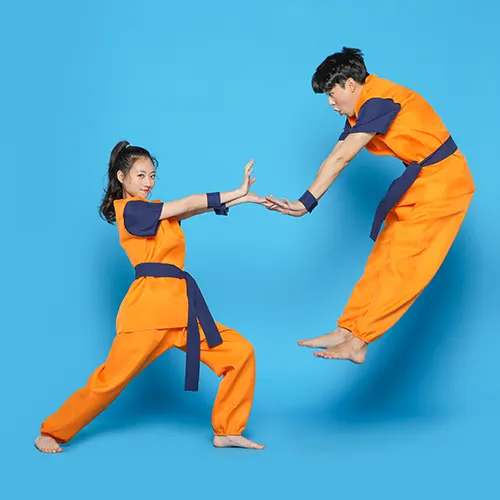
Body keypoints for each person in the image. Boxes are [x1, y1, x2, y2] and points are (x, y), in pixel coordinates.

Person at [35, 141, 266, 453]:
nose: (148, 182)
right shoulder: (131, 210)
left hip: (181, 312)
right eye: (141, 175)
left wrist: (242, 198)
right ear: (122, 177)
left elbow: (192, 209)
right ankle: (51, 432)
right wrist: (235, 190)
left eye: (152, 176)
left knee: (239, 353)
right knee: (109, 381)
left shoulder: (155, 211)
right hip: (148, 314)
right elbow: (188, 202)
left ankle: (228, 430)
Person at [265, 47, 476, 363]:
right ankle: (348, 329)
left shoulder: (379, 101)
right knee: (382, 259)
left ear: (351, 84)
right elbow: (335, 155)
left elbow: (343, 157)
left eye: (332, 93)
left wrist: (305, 204)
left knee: (405, 268)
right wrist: (304, 202)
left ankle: (361, 341)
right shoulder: (363, 109)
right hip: (421, 182)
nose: (330, 102)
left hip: (445, 184)